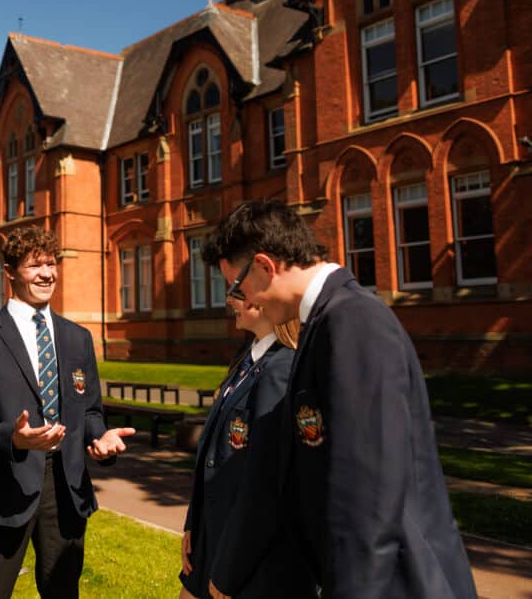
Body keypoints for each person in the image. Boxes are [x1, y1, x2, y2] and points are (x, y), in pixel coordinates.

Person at [203, 199, 476, 598]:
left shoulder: (352, 321)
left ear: (264, 266)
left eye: (237, 287)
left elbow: (369, 494)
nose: (245, 301)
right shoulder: (324, 322)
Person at [0, 226, 135, 599]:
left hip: (66, 486)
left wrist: (99, 437)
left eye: (51, 264)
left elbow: (89, 411)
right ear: (10, 273)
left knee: (63, 590)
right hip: (5, 482)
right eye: (35, 266)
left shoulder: (77, 338)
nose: (47, 274)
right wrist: (13, 438)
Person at [179, 286, 315, 599]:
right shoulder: (247, 360)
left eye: (238, 293)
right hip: (215, 534)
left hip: (246, 555)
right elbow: (214, 454)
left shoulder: (281, 369)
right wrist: (194, 522)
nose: (229, 300)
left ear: (266, 300)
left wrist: (229, 571)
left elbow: (265, 483)